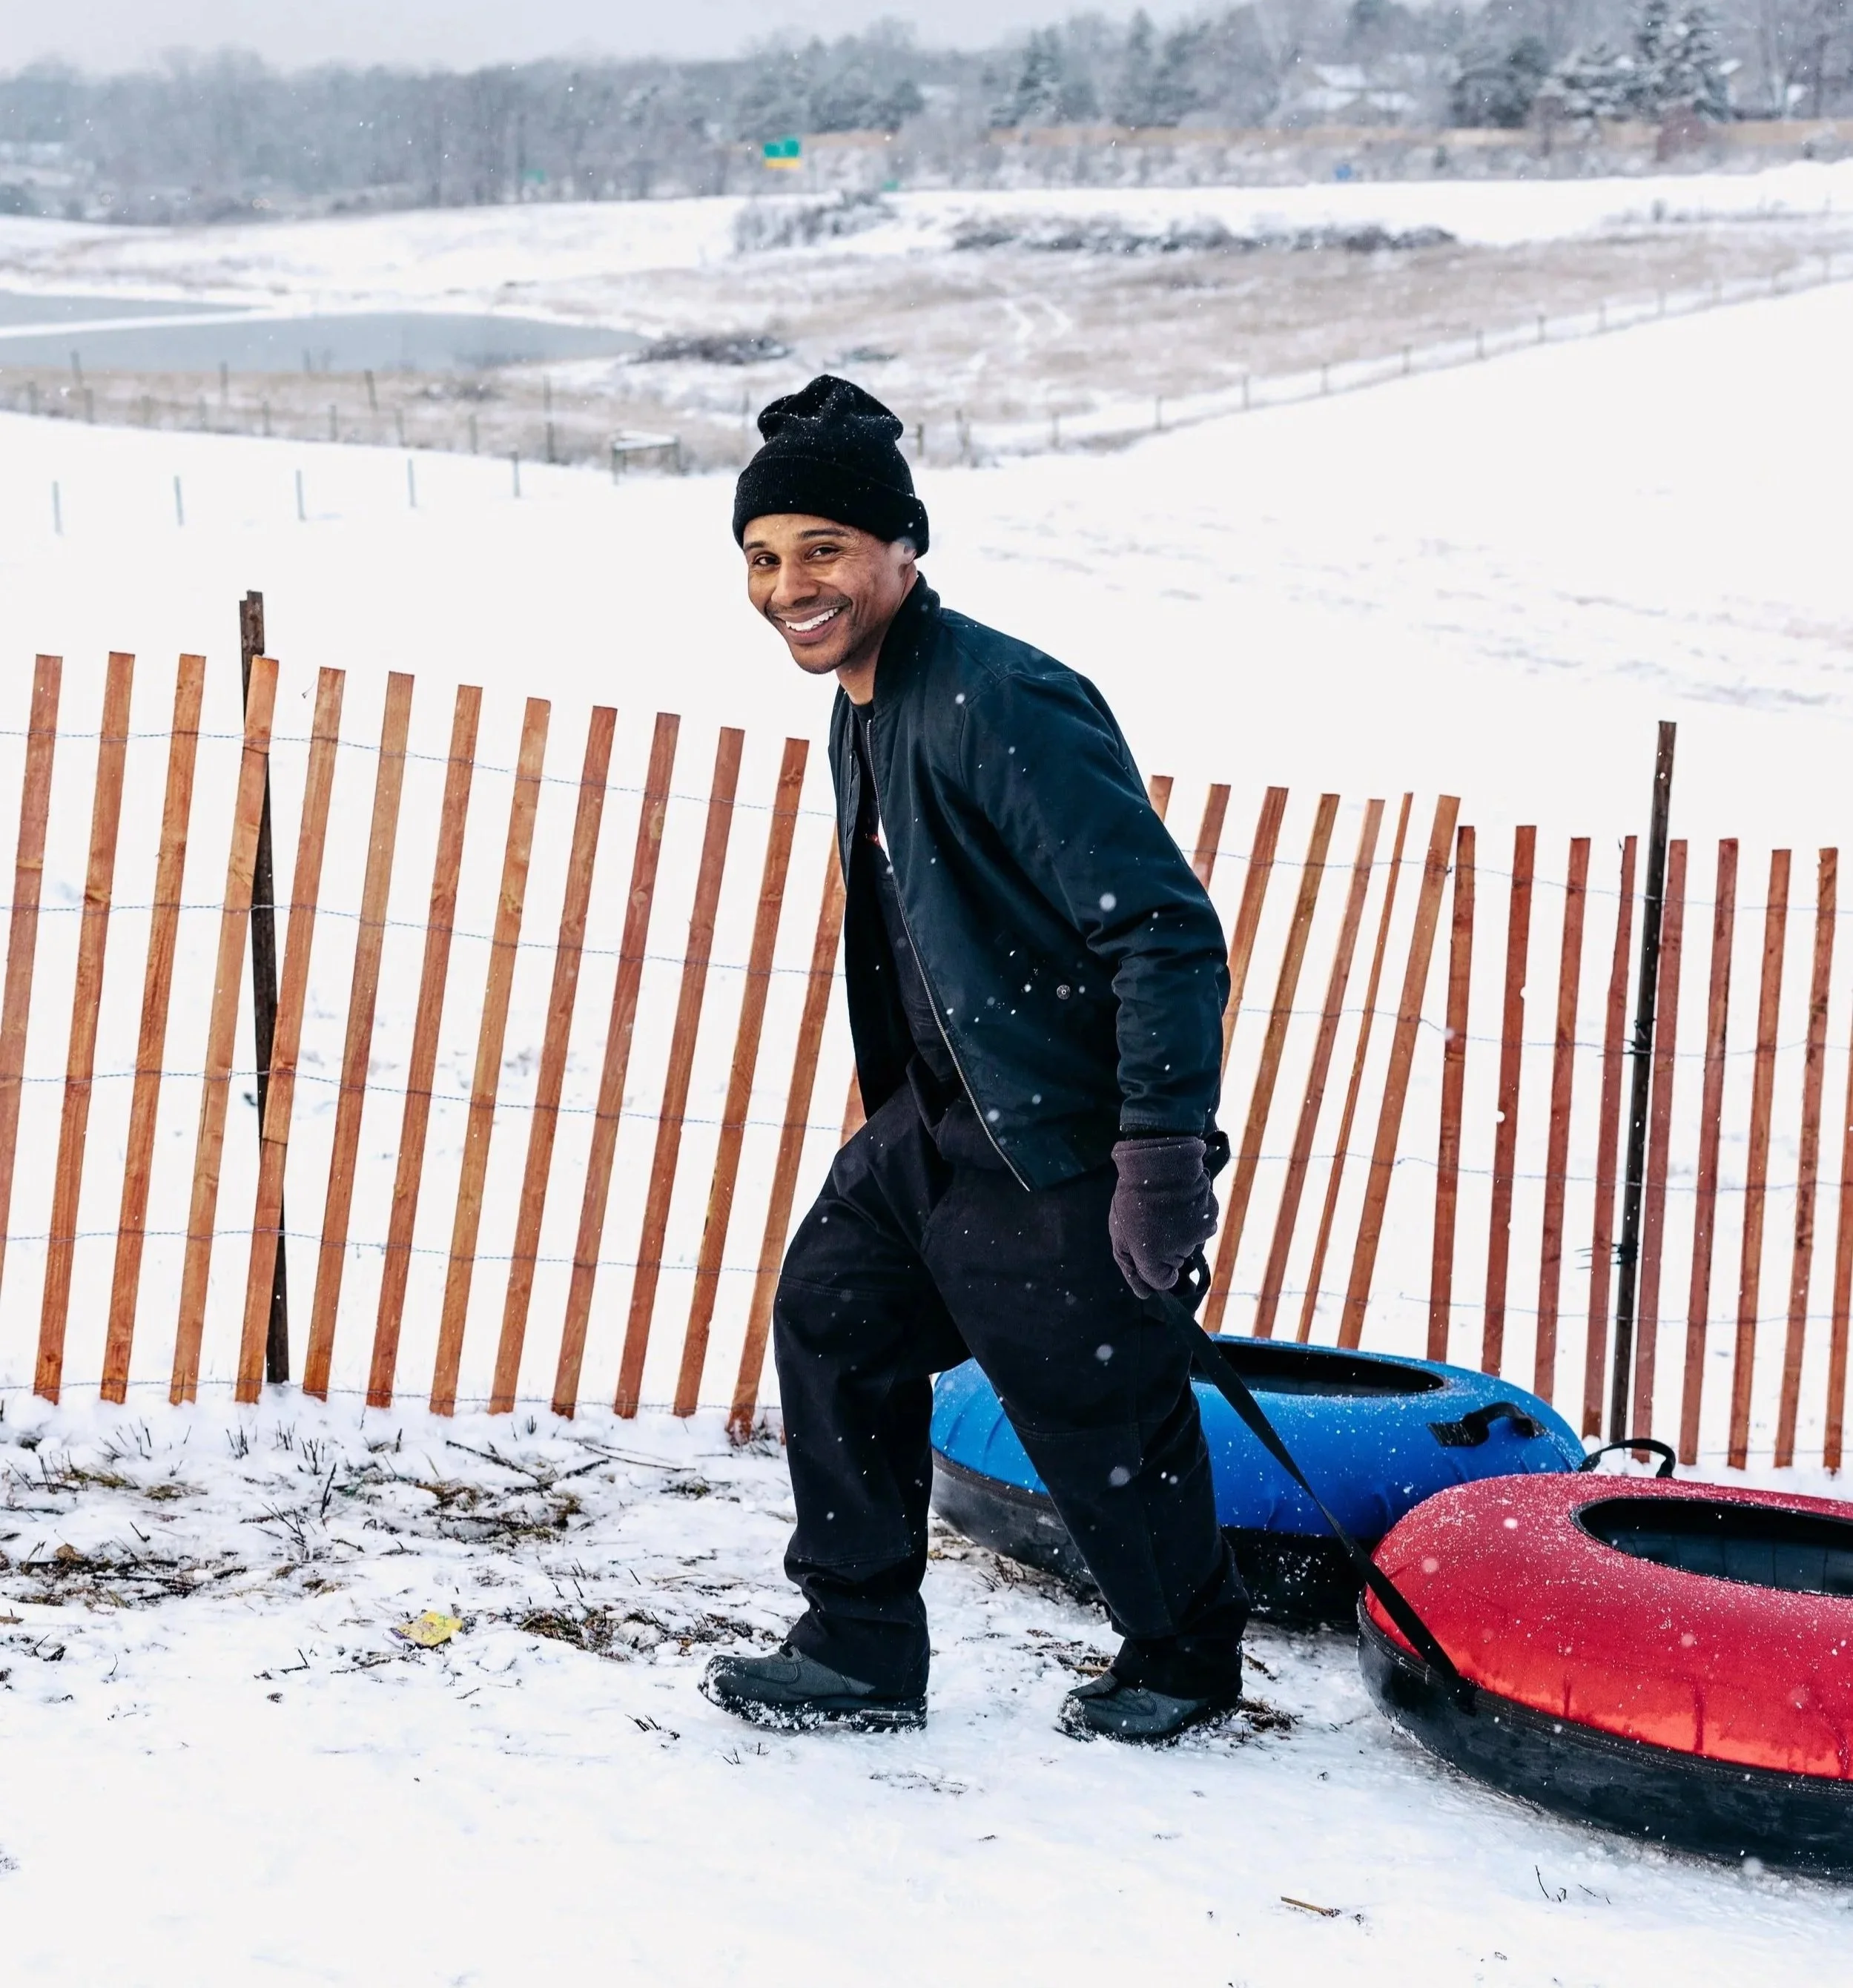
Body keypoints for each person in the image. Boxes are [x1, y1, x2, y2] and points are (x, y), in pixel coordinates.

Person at [701, 376, 1248, 1741]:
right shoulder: (866, 701)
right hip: (936, 1117)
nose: (787, 588)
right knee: (833, 1319)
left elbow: (1164, 934)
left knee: (1096, 1408)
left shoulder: (1001, 699)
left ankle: (1182, 1662)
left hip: (1051, 1131)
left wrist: (1157, 1154)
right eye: (762, 558)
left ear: (903, 547)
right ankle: (859, 1645)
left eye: (822, 549)